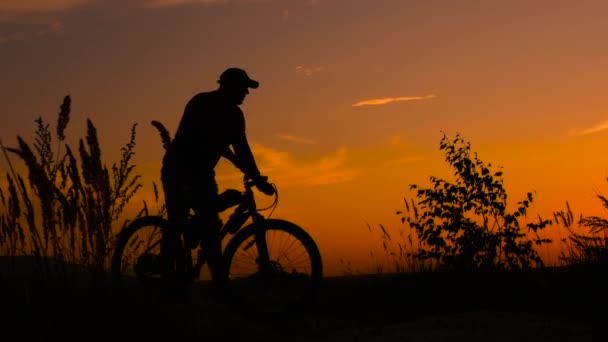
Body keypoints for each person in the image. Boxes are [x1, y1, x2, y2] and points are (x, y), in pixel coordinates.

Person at [160, 67, 275, 284]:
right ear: (227, 86)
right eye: (243, 88)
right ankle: (167, 280)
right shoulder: (200, 103)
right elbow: (188, 141)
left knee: (211, 229)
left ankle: (219, 284)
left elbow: (241, 148)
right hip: (178, 169)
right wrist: (186, 185)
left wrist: (257, 178)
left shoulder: (235, 115)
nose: (246, 94)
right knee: (177, 221)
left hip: (202, 173)